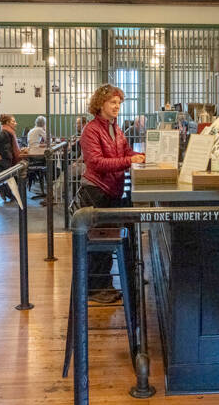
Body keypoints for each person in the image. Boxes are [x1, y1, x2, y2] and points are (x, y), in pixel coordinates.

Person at [79, 84, 145, 304]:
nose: (117, 106)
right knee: (100, 246)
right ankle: (96, 289)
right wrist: (129, 160)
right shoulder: (91, 130)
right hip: (96, 191)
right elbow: (95, 163)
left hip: (111, 189)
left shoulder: (114, 128)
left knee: (105, 243)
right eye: (112, 102)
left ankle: (104, 285)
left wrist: (142, 155)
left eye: (119, 103)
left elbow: (125, 151)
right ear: (100, 104)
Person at [0, 114, 21, 201]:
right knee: (18, 172)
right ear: (7, 123)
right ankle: (1, 188)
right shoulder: (5, 134)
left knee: (18, 171)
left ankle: (3, 189)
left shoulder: (9, 133)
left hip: (4, 162)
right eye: (13, 121)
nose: (15, 123)